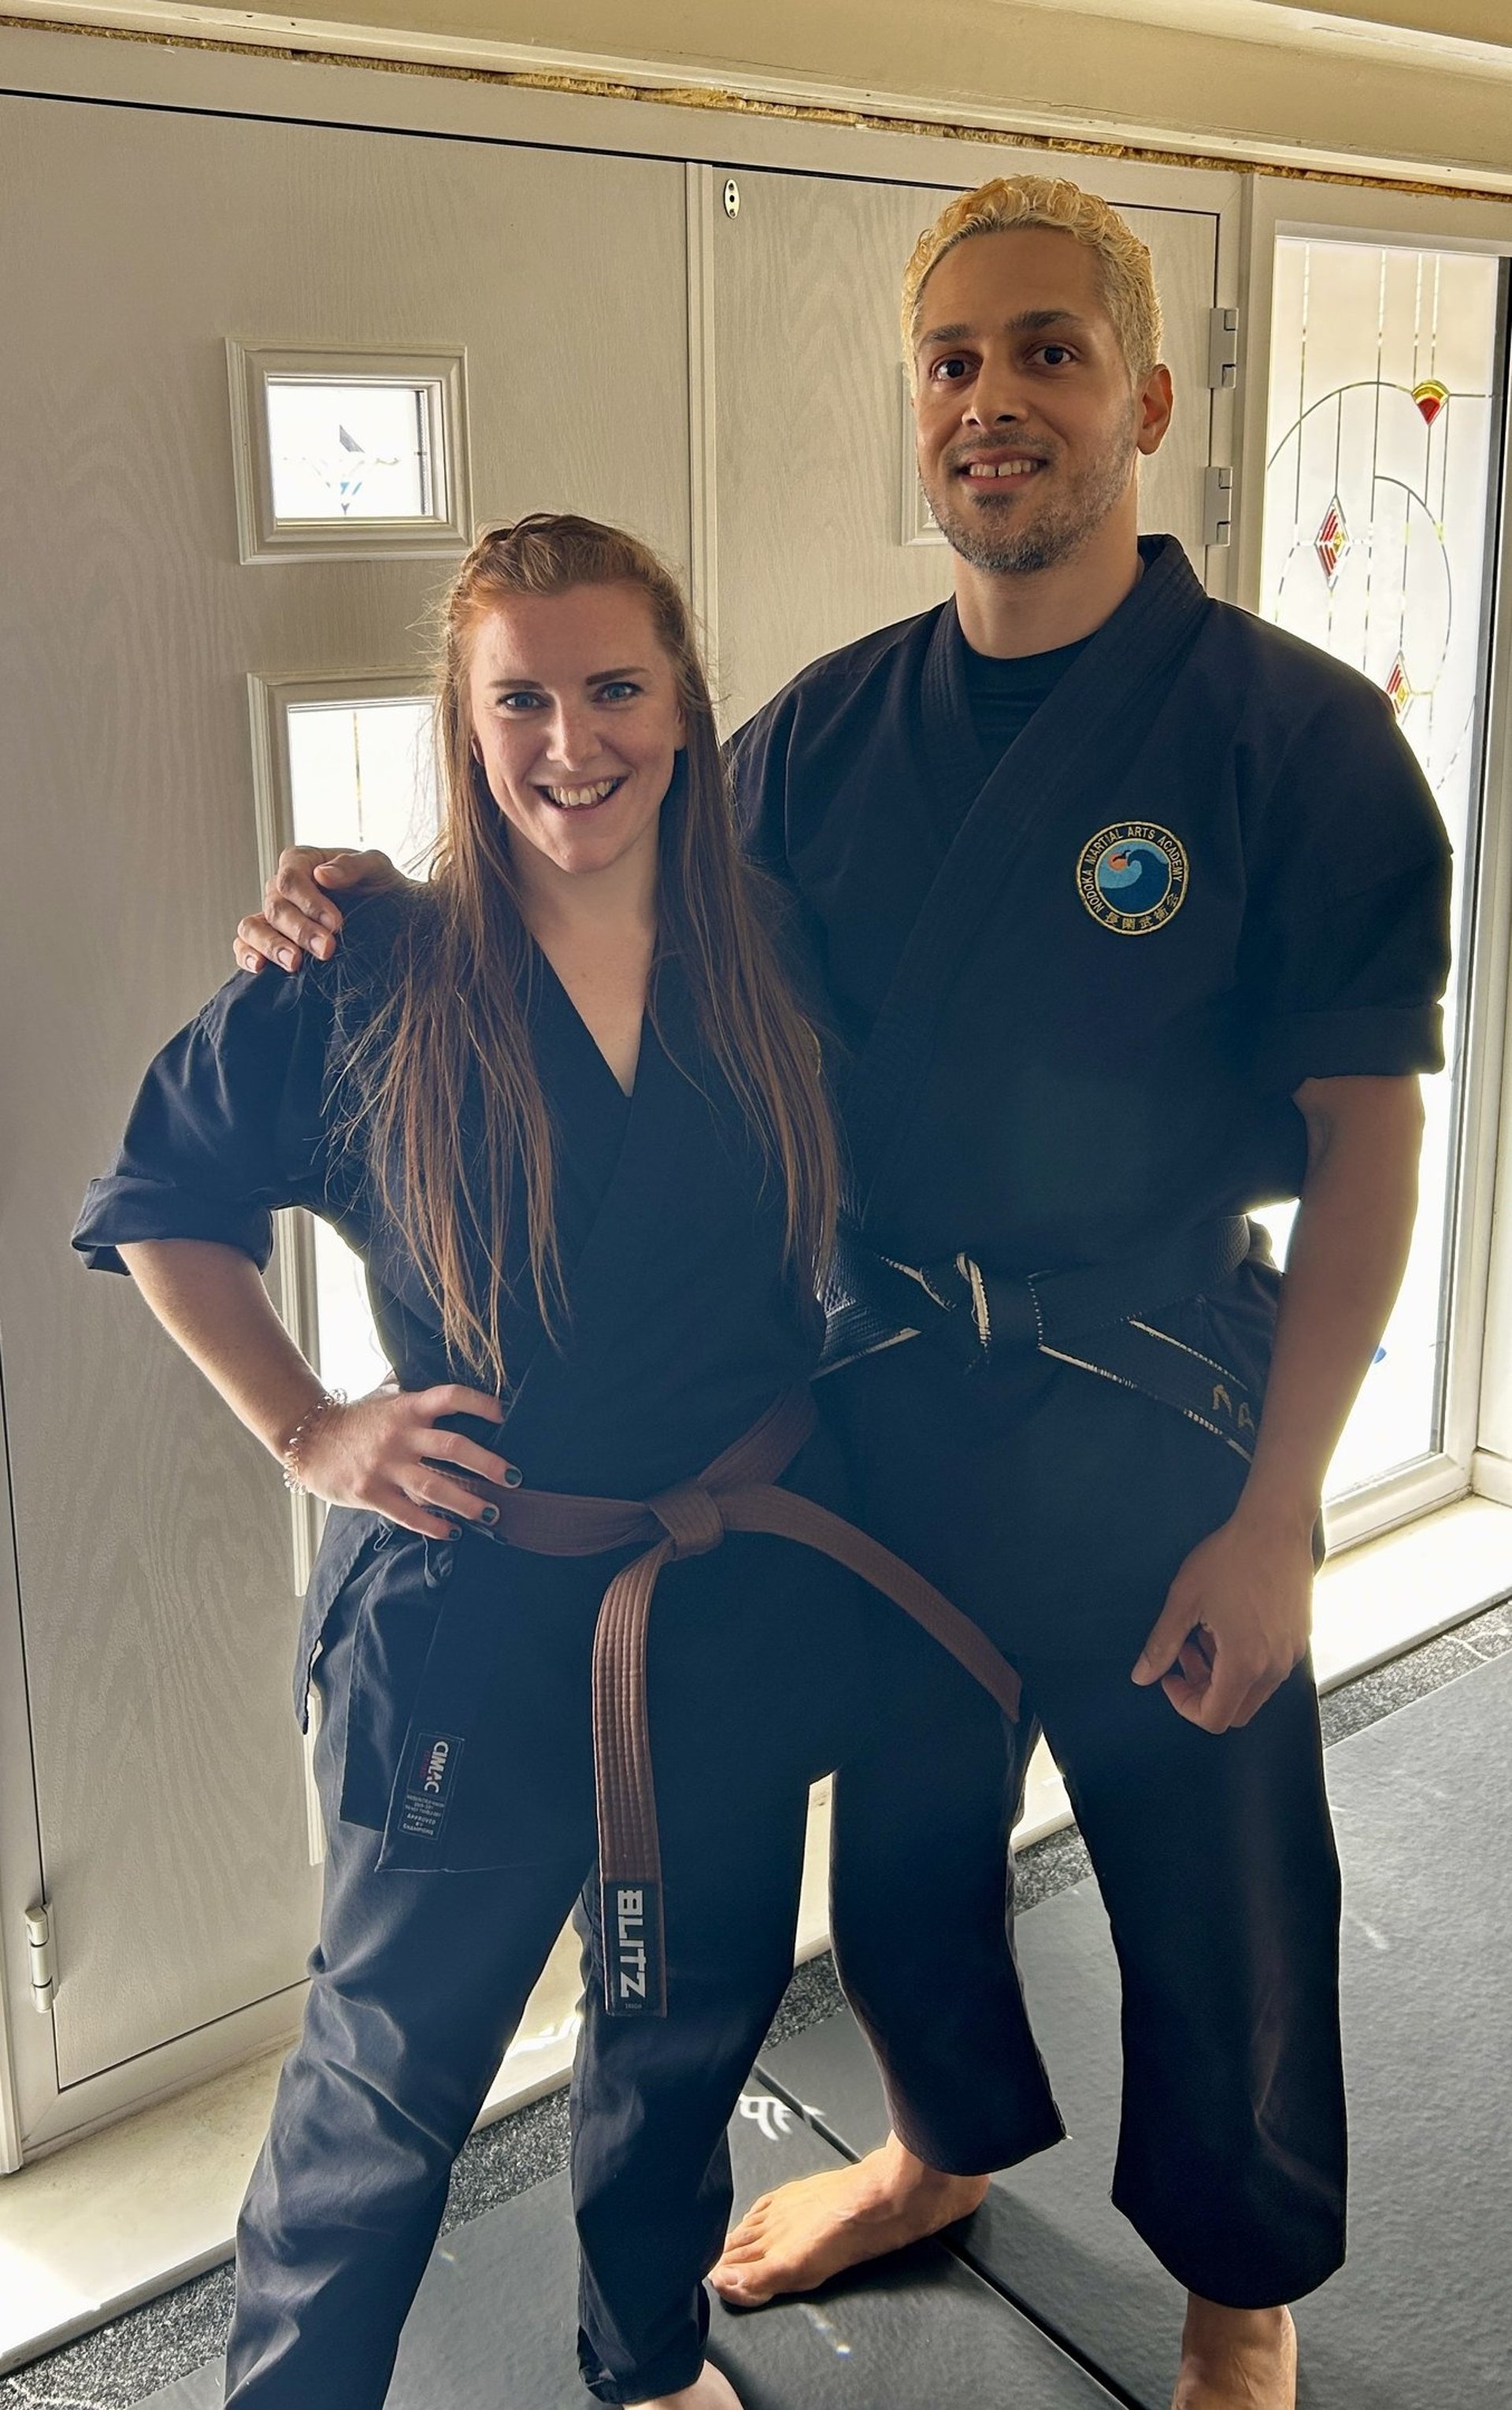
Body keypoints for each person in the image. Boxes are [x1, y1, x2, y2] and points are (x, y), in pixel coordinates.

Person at [227, 179, 1451, 2410]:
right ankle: (937, 2152)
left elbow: (1371, 1143)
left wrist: (1284, 1512)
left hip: (1156, 1407)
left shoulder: (1290, 738)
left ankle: (1237, 2298)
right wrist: (371, 898)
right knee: (901, 1851)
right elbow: (595, 876)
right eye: (954, 360)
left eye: (1052, 350)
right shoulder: (817, 732)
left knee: (1218, 1873)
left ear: (1146, 401)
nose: (995, 397)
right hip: (867, 1402)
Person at [72, 514, 1032, 2410]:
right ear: (464, 719)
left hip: (724, 1600)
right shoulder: (359, 965)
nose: (570, 743)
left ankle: (647, 2361)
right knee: (387, 2080)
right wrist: (311, 1427)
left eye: (613, 689)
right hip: (468, 1610)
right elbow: (166, 1198)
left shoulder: (777, 950)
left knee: (684, 2027)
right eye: (519, 699)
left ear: (684, 707)